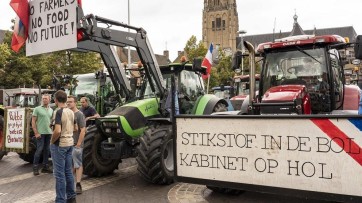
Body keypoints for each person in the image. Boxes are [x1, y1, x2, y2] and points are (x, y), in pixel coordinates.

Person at [50, 90, 77, 203]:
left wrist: (52, 141)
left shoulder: (58, 112)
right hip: (70, 143)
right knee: (68, 172)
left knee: (59, 174)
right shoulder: (71, 112)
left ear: (56, 100)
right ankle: (71, 197)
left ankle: (60, 200)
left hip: (60, 145)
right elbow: (76, 128)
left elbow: (57, 131)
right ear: (65, 100)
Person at [67, 95, 86, 194]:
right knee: (70, 165)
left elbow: (83, 130)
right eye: (67, 102)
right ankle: (70, 184)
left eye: (70, 101)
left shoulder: (79, 114)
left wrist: (78, 143)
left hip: (76, 144)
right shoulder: (67, 113)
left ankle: (78, 184)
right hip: (68, 144)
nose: (68, 103)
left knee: (77, 164)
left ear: (75, 103)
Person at [32, 94, 53, 175]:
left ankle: (45, 167)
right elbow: (33, 121)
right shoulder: (37, 109)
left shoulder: (51, 110)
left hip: (49, 133)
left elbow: (51, 121)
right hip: (40, 133)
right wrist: (36, 133)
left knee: (47, 150)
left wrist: (52, 131)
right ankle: (35, 168)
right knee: (39, 150)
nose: (44, 100)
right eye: (43, 99)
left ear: (49, 100)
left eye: (46, 99)